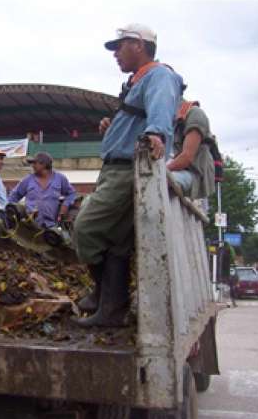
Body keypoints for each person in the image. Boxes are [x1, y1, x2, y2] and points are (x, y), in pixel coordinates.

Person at [74, 24, 184, 327]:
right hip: (116, 168)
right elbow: (140, 115)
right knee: (117, 242)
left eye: (119, 47)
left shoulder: (159, 75)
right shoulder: (136, 82)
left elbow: (160, 108)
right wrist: (115, 126)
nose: (115, 55)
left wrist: (156, 134)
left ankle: (101, 295)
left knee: (85, 228)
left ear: (138, 44)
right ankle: (112, 310)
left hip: (125, 171)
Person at [8, 152, 76, 228]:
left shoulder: (60, 178)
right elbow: (14, 196)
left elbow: (71, 194)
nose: (32, 166)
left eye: (35, 163)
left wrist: (65, 206)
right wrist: (10, 212)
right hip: (30, 226)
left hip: (52, 226)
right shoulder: (28, 180)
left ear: (44, 165)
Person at [167, 101, 215, 199]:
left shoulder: (195, 114)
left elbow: (186, 157)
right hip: (175, 169)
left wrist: (161, 171)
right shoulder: (170, 120)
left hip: (194, 174)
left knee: (158, 182)